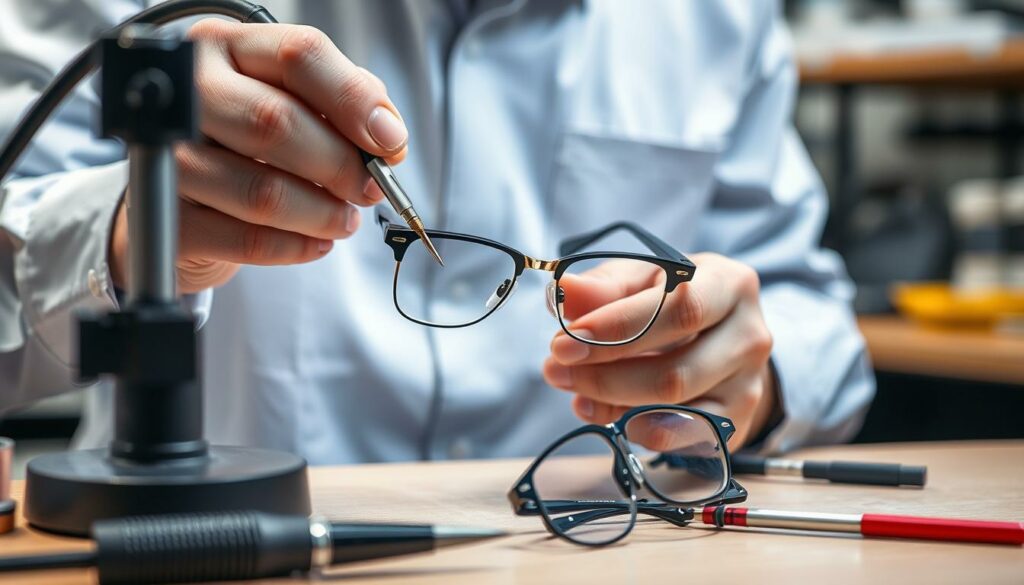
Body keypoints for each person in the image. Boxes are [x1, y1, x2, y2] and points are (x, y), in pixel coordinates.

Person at [0, 0, 874, 464]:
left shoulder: (718, 17)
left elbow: (813, 318)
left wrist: (751, 376)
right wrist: (134, 233)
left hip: (597, 550)